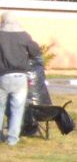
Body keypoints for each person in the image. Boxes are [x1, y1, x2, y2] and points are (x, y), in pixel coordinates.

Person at [0, 13, 44, 147]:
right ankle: (12, 139)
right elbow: (36, 51)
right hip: (20, 77)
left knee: (0, 108)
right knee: (17, 109)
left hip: (2, 76)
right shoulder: (23, 35)